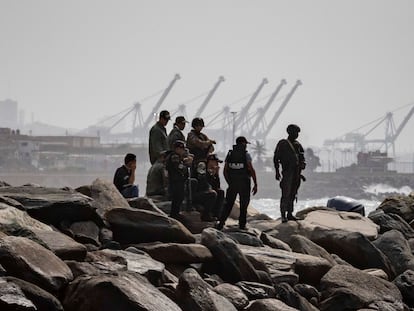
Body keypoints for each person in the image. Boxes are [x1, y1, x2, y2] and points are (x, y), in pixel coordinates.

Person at [217, 136, 258, 230]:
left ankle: (221, 223)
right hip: (244, 183)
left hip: (232, 184)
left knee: (228, 204)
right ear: (243, 144)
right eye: (245, 144)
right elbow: (251, 169)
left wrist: (230, 182)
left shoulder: (230, 154)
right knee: (244, 205)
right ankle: (242, 225)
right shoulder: (246, 154)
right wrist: (255, 184)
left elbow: (225, 170)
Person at [273, 124, 306, 223]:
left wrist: (303, 164)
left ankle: (290, 214)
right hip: (287, 173)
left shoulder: (298, 145)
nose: (297, 135)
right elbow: (276, 158)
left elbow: (302, 158)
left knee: (293, 193)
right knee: (285, 194)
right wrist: (277, 172)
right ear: (290, 132)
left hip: (296, 173)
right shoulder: (283, 144)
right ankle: (283, 215)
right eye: (295, 132)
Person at [166, 140, 190, 218]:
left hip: (178, 181)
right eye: (182, 149)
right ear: (177, 149)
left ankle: (176, 213)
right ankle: (174, 214)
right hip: (176, 181)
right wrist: (185, 164)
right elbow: (179, 167)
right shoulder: (174, 156)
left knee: (179, 198)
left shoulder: (178, 157)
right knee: (177, 198)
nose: (183, 151)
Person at [206, 153, 225, 218]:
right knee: (213, 194)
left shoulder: (213, 171)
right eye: (216, 162)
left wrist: (216, 174)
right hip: (202, 192)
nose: (217, 164)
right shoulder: (203, 169)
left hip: (210, 192)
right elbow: (205, 184)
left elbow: (217, 186)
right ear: (210, 161)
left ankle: (217, 215)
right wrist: (211, 175)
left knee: (221, 192)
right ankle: (207, 215)